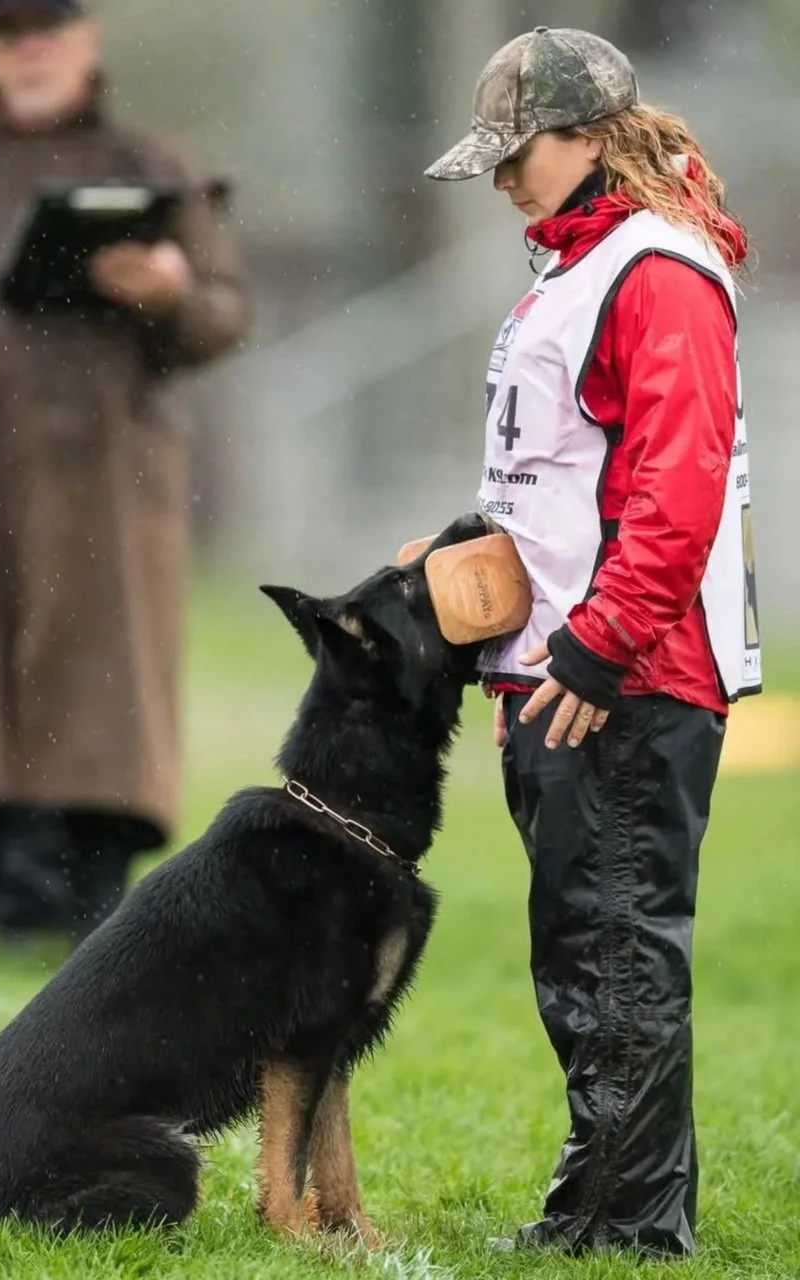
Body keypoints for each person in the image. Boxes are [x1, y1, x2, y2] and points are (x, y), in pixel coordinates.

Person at [425, 25, 761, 1260]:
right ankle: (602, 1199)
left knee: (616, 952)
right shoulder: (581, 267)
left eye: (519, 152)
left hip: (625, 677)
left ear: (585, 138)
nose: (504, 176)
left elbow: (677, 488)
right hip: (567, 670)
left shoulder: (655, 271)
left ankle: (629, 1223)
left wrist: (598, 646)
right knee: (584, 951)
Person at [0, 0, 252, 966]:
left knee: (102, 692)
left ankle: (95, 924)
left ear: (84, 42)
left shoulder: (155, 165)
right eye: (8, 33)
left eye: (47, 31)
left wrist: (169, 290)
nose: (29, 52)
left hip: (112, 485)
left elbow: (225, 315)